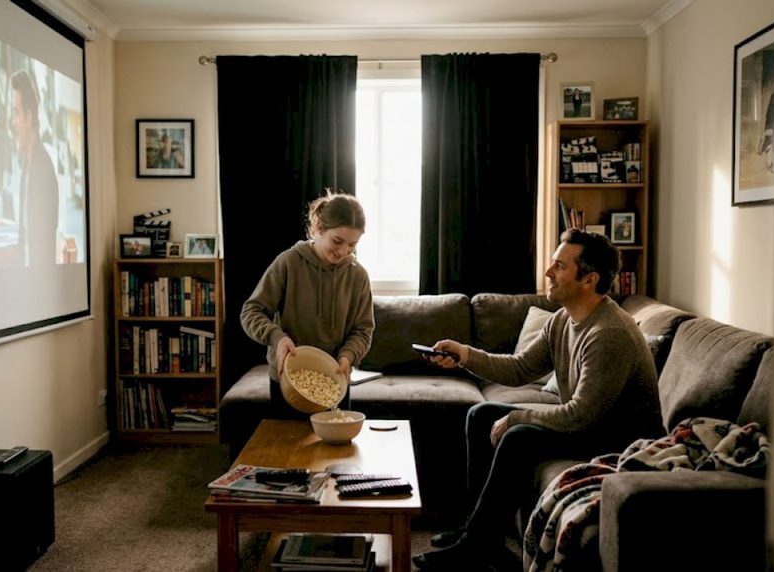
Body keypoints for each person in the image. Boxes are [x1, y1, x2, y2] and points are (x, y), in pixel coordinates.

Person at [412, 229, 663, 571]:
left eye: (559, 266)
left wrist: (517, 418)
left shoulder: (609, 335)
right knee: (480, 414)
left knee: (518, 436)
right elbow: (520, 369)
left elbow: (580, 416)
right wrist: (464, 355)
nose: (548, 273)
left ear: (589, 279)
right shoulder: (563, 319)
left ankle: (475, 547)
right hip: (592, 422)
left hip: (618, 436)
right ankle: (478, 531)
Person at [240, 192, 374, 418]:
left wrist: (348, 356)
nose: (343, 252)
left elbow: (363, 331)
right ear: (319, 228)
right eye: (337, 241)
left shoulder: (358, 276)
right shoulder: (289, 262)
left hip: (335, 382)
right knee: (285, 451)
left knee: (336, 452)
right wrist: (277, 338)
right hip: (288, 381)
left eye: (352, 245)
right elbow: (251, 312)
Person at [10, 69, 58, 267]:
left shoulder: (42, 170)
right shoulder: (27, 166)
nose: (13, 123)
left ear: (29, 118)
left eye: (16, 113)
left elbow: (43, 245)